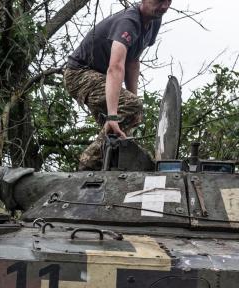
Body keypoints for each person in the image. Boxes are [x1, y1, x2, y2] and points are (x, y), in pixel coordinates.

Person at [64, 0, 172, 170]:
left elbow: (133, 60)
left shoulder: (154, 20)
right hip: (79, 73)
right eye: (159, 1)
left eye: (169, 1)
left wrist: (132, 100)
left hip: (101, 76)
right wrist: (114, 114)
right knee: (129, 107)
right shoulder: (128, 23)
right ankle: (89, 162)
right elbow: (115, 67)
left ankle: (106, 168)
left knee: (128, 121)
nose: (165, 6)